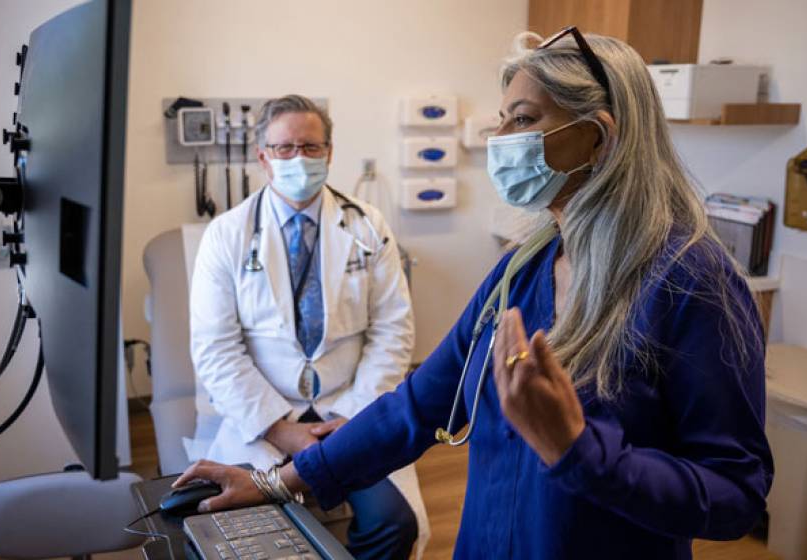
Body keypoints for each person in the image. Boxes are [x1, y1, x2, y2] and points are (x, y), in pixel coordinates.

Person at [177, 30, 774, 559]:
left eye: (521, 119)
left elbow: (735, 492)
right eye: (502, 118)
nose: (498, 138)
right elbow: (420, 404)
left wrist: (583, 454)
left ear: (596, 136)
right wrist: (280, 480)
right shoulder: (524, 270)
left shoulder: (691, 281)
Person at [188, 94, 428, 560]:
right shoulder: (227, 234)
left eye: (311, 147)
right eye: (284, 148)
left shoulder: (367, 224)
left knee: (393, 524)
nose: (299, 158)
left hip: (349, 409)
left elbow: (393, 329)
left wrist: (354, 419)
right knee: (245, 527)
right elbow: (216, 348)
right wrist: (280, 429)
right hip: (266, 417)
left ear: (330, 152)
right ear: (263, 157)